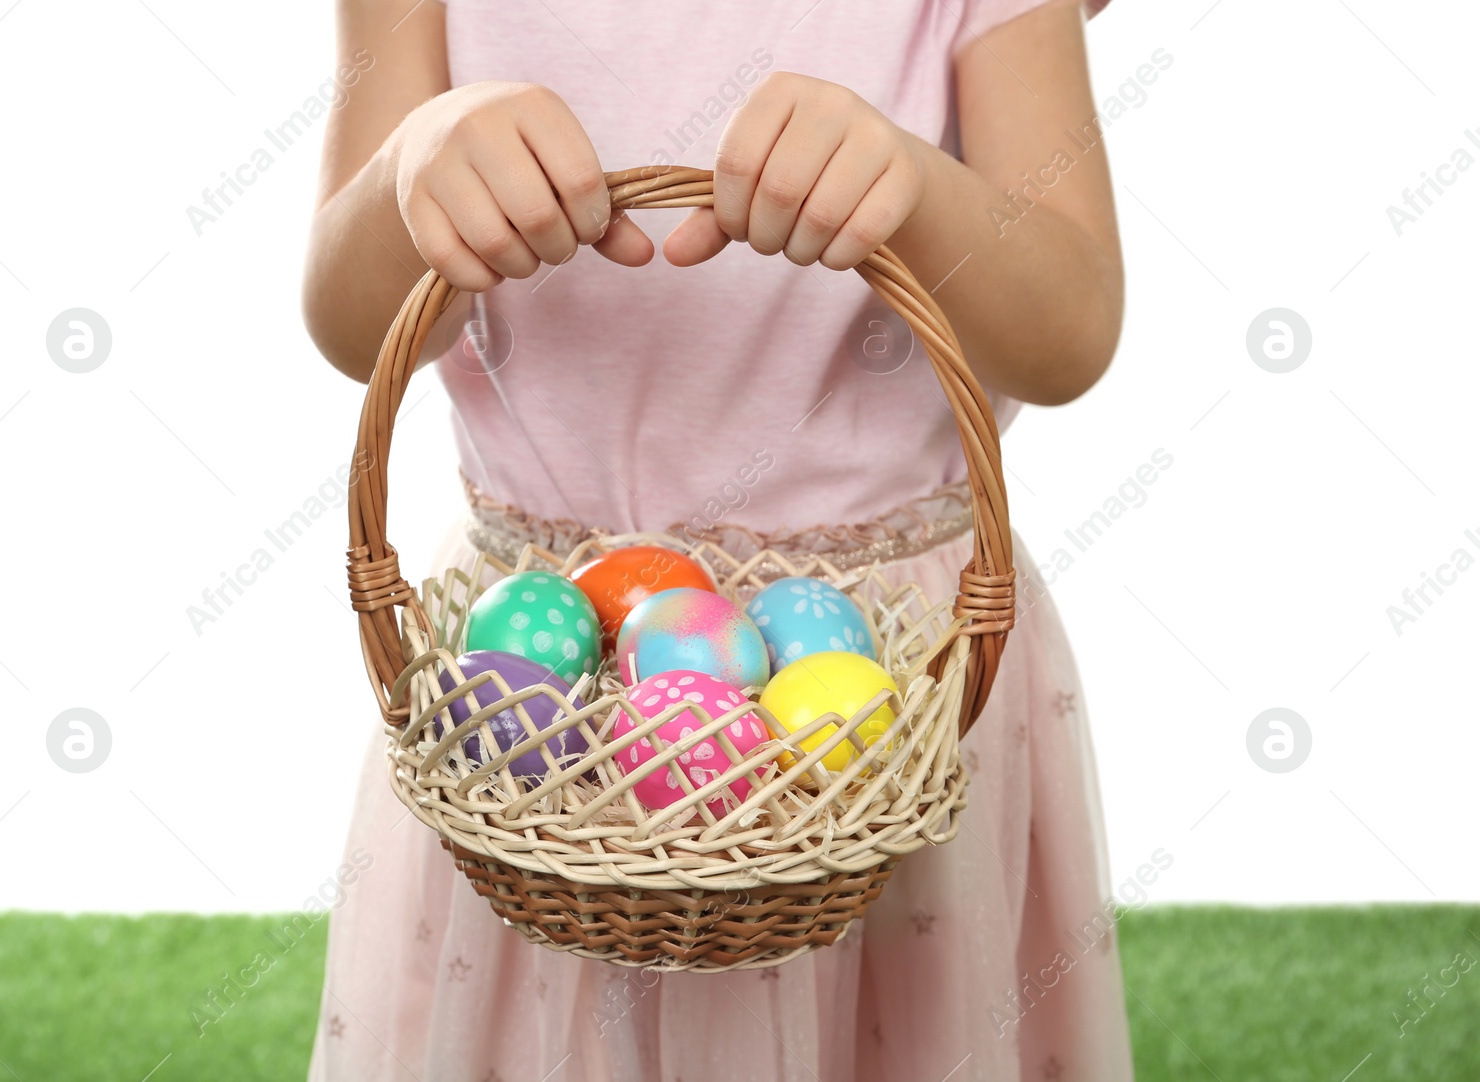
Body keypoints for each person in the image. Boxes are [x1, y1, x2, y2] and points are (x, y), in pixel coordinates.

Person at [302, 1, 1131, 1078]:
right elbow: (349, 322)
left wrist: (917, 191)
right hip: (542, 705)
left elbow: (1068, 331)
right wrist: (410, 170)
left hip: (886, 686)